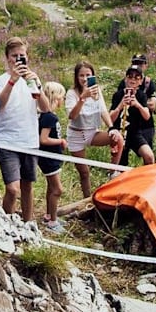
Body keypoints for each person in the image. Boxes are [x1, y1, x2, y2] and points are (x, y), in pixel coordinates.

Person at [0, 37, 51, 224]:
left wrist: (36, 85)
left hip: (30, 140)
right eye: (14, 56)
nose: (18, 59)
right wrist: (13, 80)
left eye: (21, 56)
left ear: (27, 57)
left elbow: (45, 107)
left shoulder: (33, 80)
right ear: (7, 58)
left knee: (27, 186)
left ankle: (27, 223)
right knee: (12, 188)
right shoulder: (0, 81)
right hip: (7, 140)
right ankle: (6, 224)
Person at [66, 61, 123, 196]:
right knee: (84, 172)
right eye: (81, 76)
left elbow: (103, 111)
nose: (85, 79)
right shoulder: (71, 93)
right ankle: (87, 199)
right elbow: (72, 116)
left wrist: (111, 128)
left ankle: (112, 171)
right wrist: (83, 98)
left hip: (92, 132)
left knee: (118, 138)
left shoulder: (97, 92)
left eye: (88, 75)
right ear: (76, 77)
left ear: (93, 76)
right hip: (76, 134)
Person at [37, 82, 69, 233]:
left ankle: (49, 215)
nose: (63, 100)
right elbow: (43, 139)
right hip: (49, 159)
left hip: (53, 157)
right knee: (58, 189)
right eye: (62, 96)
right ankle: (53, 223)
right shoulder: (49, 117)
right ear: (56, 97)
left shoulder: (49, 116)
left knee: (51, 188)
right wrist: (60, 141)